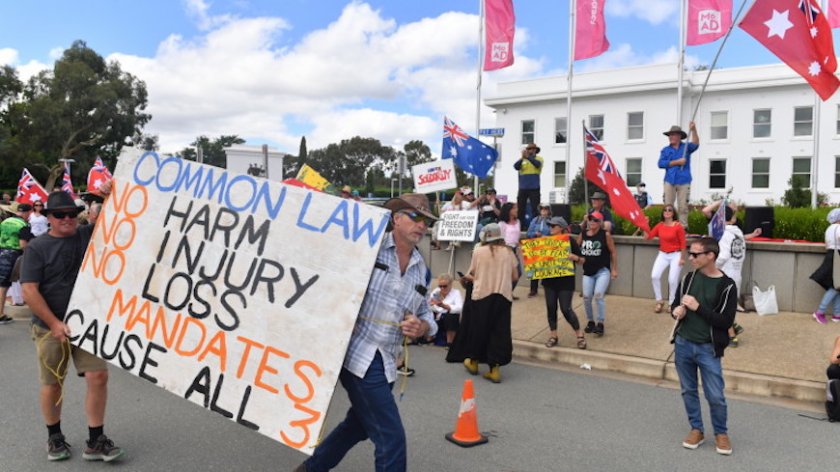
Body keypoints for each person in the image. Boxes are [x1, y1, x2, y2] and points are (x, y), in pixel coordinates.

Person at [298, 193, 437, 472]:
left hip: (387, 361)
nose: (421, 225)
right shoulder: (365, 248)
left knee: (357, 426)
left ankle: (311, 469)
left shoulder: (422, 270)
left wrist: (421, 326)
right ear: (396, 219)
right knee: (391, 437)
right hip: (357, 354)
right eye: (415, 217)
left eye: (426, 220)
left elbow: (426, 314)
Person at [21, 189, 125, 463]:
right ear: (49, 217)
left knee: (98, 377)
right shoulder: (37, 247)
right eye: (59, 214)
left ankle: (96, 439)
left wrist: (112, 192)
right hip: (49, 326)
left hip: (86, 324)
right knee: (53, 383)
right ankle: (54, 436)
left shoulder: (85, 235)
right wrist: (55, 323)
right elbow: (30, 290)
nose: (67, 218)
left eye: (71, 213)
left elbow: (117, 217)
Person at [670, 237, 737, 456]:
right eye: (690, 253)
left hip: (708, 348)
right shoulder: (689, 277)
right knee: (688, 390)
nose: (690, 258)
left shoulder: (727, 285)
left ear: (710, 256)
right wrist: (676, 311)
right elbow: (675, 303)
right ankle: (696, 429)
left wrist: (698, 308)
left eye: (695, 254)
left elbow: (725, 321)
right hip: (683, 343)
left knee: (715, 395)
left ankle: (721, 433)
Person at [448, 223, 519, 383]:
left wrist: (474, 278)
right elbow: (515, 276)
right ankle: (494, 369)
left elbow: (472, 274)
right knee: (499, 331)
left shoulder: (479, 251)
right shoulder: (508, 252)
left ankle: (473, 361)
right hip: (503, 297)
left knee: (479, 329)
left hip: (482, 296)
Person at [541, 217, 587, 350]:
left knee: (566, 308)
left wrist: (575, 257)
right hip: (549, 280)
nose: (550, 228)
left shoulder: (570, 241)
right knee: (551, 307)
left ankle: (580, 335)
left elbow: (583, 260)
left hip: (565, 281)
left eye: (553, 226)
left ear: (561, 228)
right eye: (549, 226)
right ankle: (553, 335)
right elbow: (538, 259)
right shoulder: (546, 241)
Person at [578, 211, 617, 336]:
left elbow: (613, 252)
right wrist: (577, 258)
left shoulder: (605, 235)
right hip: (587, 271)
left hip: (602, 271)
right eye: (590, 219)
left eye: (595, 220)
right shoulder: (583, 234)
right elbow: (575, 247)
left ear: (600, 223)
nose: (592, 222)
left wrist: (614, 269)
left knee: (599, 295)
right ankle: (590, 321)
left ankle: (600, 323)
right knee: (586, 297)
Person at [644, 205, 686, 314]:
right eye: (665, 210)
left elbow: (683, 244)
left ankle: (672, 303)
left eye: (670, 210)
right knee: (654, 276)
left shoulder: (678, 226)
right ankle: (659, 301)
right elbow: (648, 237)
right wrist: (645, 224)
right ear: (663, 213)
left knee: (672, 280)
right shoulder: (660, 225)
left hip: (676, 255)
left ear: (673, 213)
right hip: (662, 254)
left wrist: (682, 258)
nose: (667, 212)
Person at [715, 206, 747, 346]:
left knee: (722, 307)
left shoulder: (724, 234)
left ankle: (731, 335)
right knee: (728, 306)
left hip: (725, 274)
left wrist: (711, 268)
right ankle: (732, 326)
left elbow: (723, 256)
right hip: (736, 273)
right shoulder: (738, 232)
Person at [658, 122, 699, 227]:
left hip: (684, 180)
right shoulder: (665, 150)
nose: (671, 137)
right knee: (668, 206)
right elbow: (661, 163)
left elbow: (696, 143)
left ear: (679, 136)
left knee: (683, 206)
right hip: (669, 180)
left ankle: (683, 228)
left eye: (673, 135)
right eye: (670, 135)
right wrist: (677, 162)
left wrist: (693, 130)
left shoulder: (686, 147)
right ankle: (668, 226)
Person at [0, 202, 34, 324]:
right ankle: (0, 313)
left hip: (1, 251)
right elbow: (23, 244)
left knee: (2, 284)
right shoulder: (23, 225)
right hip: (14, 255)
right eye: (29, 213)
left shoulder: (5, 222)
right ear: (26, 212)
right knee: (5, 285)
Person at [809, 208, 840, 324]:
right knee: (834, 286)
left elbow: (827, 245)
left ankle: (837, 314)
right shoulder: (839, 228)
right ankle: (819, 312)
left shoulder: (828, 229)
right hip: (838, 257)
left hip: (830, 255)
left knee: (837, 286)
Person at [428, 273, 463, 347]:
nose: (442, 288)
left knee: (451, 316)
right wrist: (431, 304)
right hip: (437, 314)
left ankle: (450, 342)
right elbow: (429, 302)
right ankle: (428, 338)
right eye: (440, 286)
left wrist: (445, 306)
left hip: (447, 316)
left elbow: (460, 308)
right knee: (427, 313)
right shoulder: (436, 291)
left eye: (445, 286)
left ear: (450, 285)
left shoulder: (456, 293)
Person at [514, 142, 543, 230]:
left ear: (535, 150)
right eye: (528, 149)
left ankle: (536, 227)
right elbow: (516, 167)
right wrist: (522, 158)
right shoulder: (523, 160)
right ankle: (520, 227)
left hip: (534, 187)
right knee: (521, 209)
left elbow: (537, 165)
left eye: (532, 149)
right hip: (523, 188)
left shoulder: (539, 158)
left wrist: (528, 157)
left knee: (535, 209)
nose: (530, 150)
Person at [526, 203, 552, 297]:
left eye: (546, 209)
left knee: (546, 269)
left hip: (547, 245)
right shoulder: (535, 220)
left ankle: (548, 290)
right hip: (535, 245)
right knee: (534, 269)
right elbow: (529, 233)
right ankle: (533, 289)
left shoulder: (552, 221)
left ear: (549, 210)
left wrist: (544, 236)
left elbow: (553, 233)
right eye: (542, 209)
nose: (544, 211)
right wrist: (534, 234)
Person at [498, 202, 523, 300]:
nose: (516, 210)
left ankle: (508, 291)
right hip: (506, 250)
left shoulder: (518, 222)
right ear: (509, 211)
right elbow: (500, 239)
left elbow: (518, 236)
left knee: (518, 272)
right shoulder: (502, 224)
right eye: (514, 208)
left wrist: (518, 246)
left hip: (515, 249)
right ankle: (505, 293)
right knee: (506, 273)